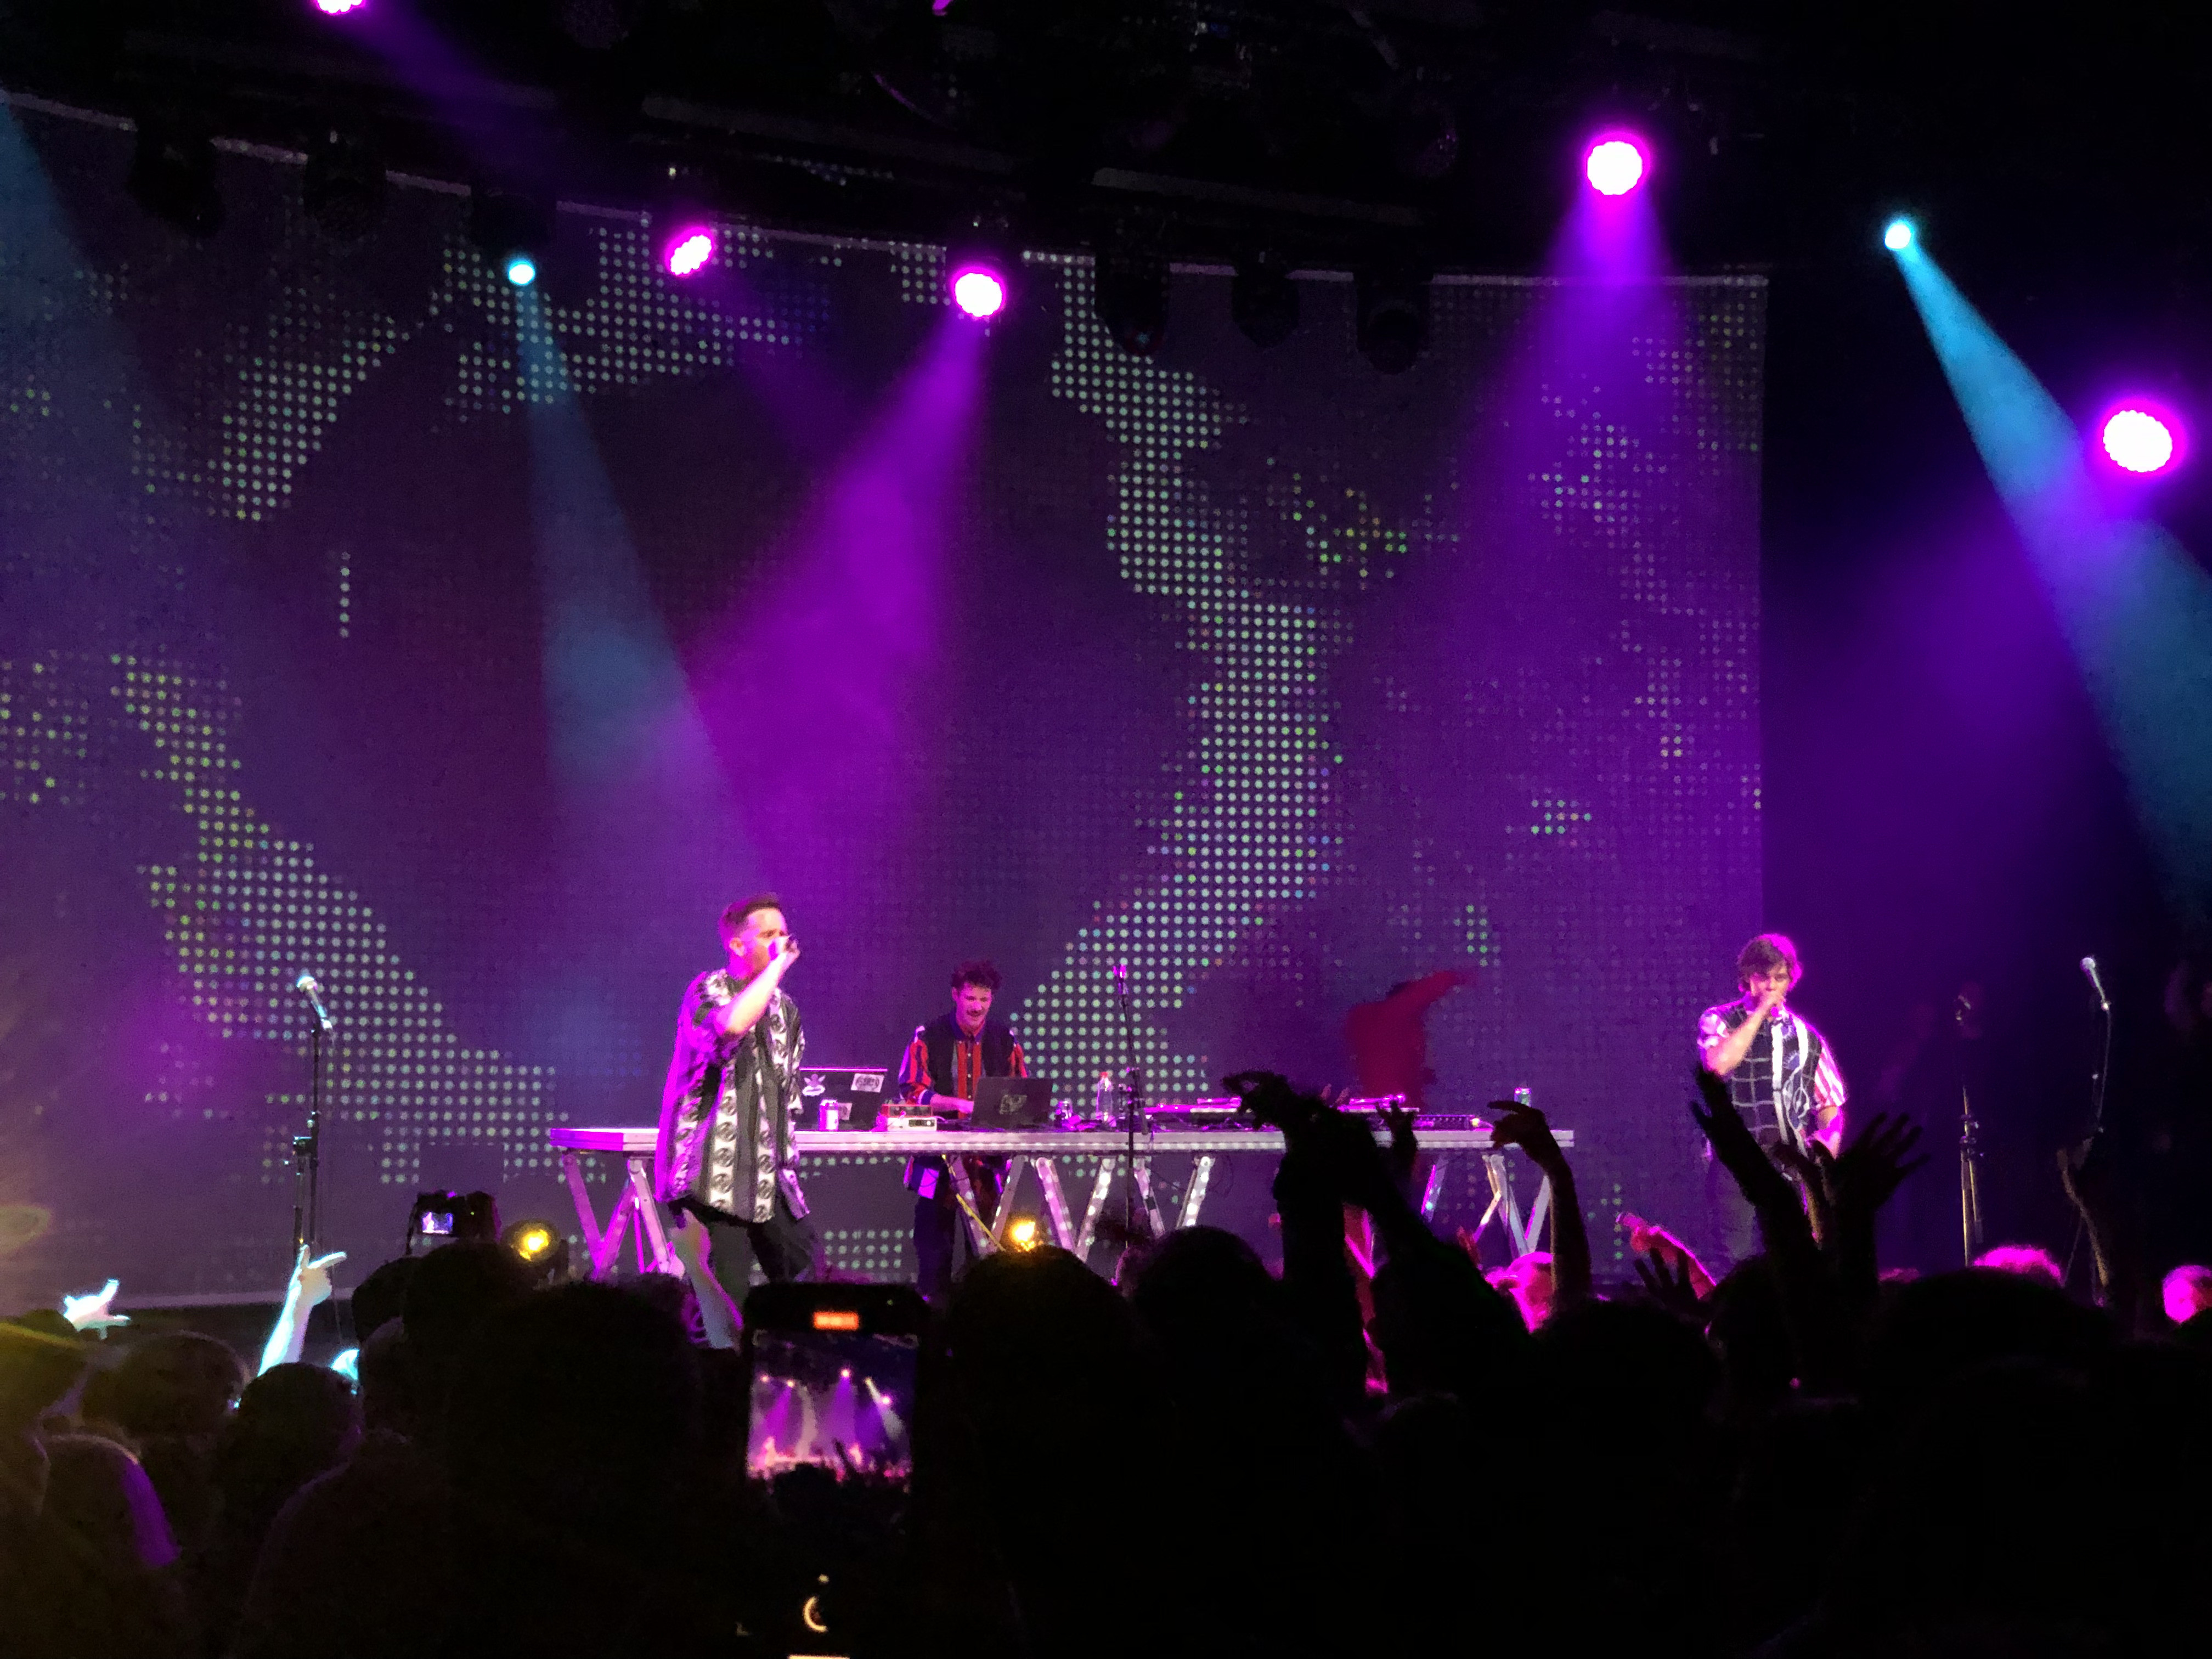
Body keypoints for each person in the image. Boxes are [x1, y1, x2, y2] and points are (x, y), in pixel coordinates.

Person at [653, 893, 817, 1306]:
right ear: (738, 945)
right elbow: (730, 1027)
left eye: (784, 934)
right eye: (769, 935)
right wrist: (778, 966)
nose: (782, 944)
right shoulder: (708, 989)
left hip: (769, 1175)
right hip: (711, 1177)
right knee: (726, 1306)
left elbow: (786, 1085)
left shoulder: (786, 1010)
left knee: (813, 1288)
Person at [1696, 932, 1847, 1265]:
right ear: (1747, 977)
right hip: (1735, 1162)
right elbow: (1718, 1065)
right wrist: (1760, 1012)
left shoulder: (1807, 1038)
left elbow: (1831, 1105)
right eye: (1763, 977)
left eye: (1780, 978)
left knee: (1791, 1259)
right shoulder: (1719, 1020)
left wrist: (1825, 1152)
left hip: (1789, 1165)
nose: (1771, 986)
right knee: (1734, 1259)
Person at [896, 960, 1028, 1302]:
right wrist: (961, 1105)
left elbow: (1021, 1093)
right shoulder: (928, 1035)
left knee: (987, 1267)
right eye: (971, 998)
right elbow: (912, 1091)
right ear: (956, 995)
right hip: (934, 1165)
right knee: (933, 1261)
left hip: (987, 1167)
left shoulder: (1005, 1040)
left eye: (984, 1000)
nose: (977, 1007)